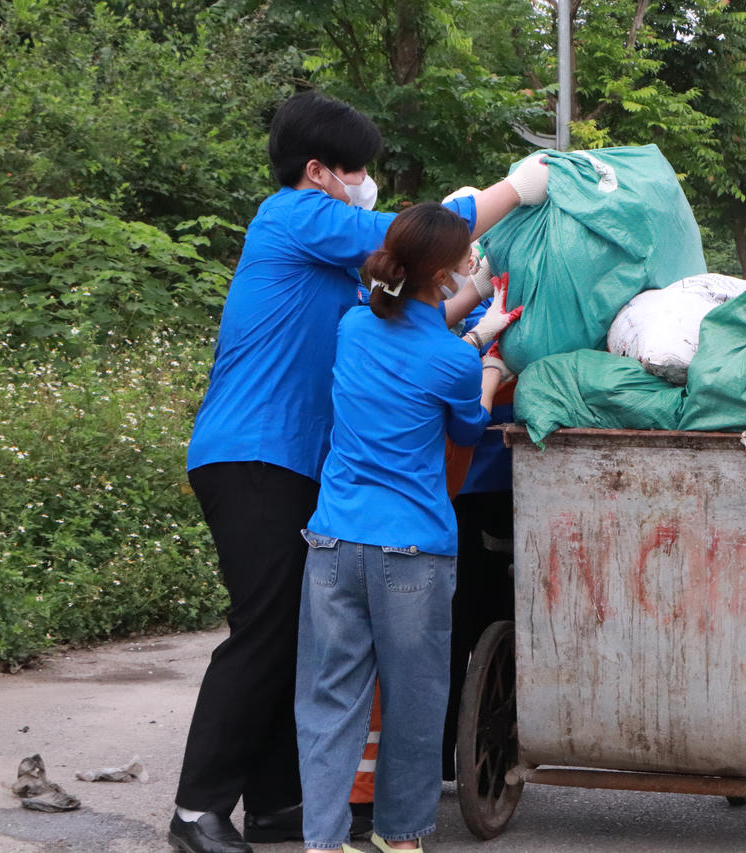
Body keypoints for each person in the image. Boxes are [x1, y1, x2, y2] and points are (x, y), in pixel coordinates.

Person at [172, 89, 548, 853]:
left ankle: (279, 802)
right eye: (357, 170)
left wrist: (472, 306)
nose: (364, 182)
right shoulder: (295, 214)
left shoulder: (338, 270)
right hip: (255, 451)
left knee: (295, 637)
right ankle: (196, 808)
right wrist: (516, 189)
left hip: (291, 456)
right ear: (319, 172)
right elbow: (408, 240)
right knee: (264, 628)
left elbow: (400, 322)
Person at [293, 203, 518, 853]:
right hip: (411, 553)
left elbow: (409, 339)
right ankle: (399, 838)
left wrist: (472, 337)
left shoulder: (352, 326)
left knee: (331, 702)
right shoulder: (449, 361)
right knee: (416, 704)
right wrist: (490, 365)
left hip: (332, 543)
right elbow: (467, 427)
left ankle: (324, 840)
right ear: (445, 276)